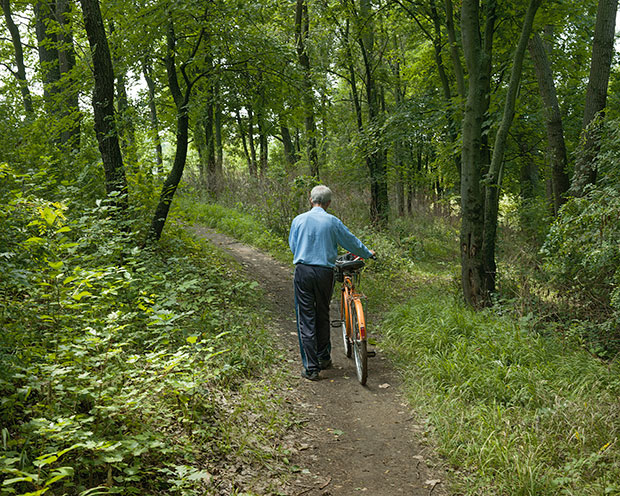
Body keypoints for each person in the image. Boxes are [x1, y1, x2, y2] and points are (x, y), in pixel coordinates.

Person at [289, 185, 374, 381]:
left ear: (311, 200)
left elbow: (293, 246)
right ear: (328, 203)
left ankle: (311, 368)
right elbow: (350, 241)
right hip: (324, 272)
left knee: (306, 318)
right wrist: (367, 253)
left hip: (303, 271)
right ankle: (324, 357)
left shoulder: (298, 220)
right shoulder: (332, 222)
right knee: (322, 313)